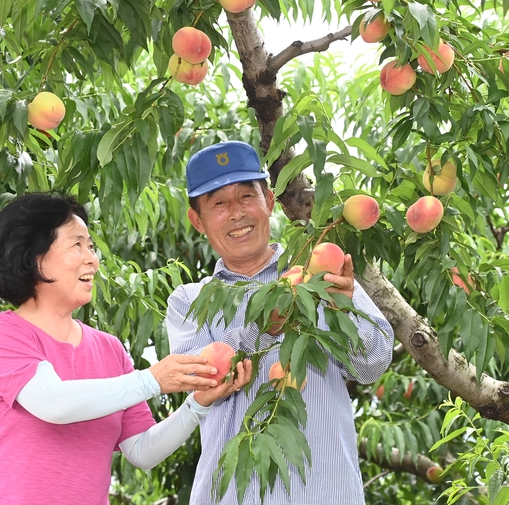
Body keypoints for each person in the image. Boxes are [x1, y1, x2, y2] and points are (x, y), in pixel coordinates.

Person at [0, 192, 252, 505]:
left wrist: (197, 405)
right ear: (34, 256)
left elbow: (142, 451)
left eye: (91, 246)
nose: (92, 259)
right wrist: (152, 380)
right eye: (77, 245)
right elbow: (52, 403)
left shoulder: (108, 349)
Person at [166, 141, 395, 504]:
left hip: (326, 492)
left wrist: (343, 307)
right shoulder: (188, 302)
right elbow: (203, 379)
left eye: (246, 196)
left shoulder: (320, 269)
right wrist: (263, 325)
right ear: (197, 220)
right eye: (219, 204)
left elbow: (372, 366)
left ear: (269, 201)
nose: (237, 213)